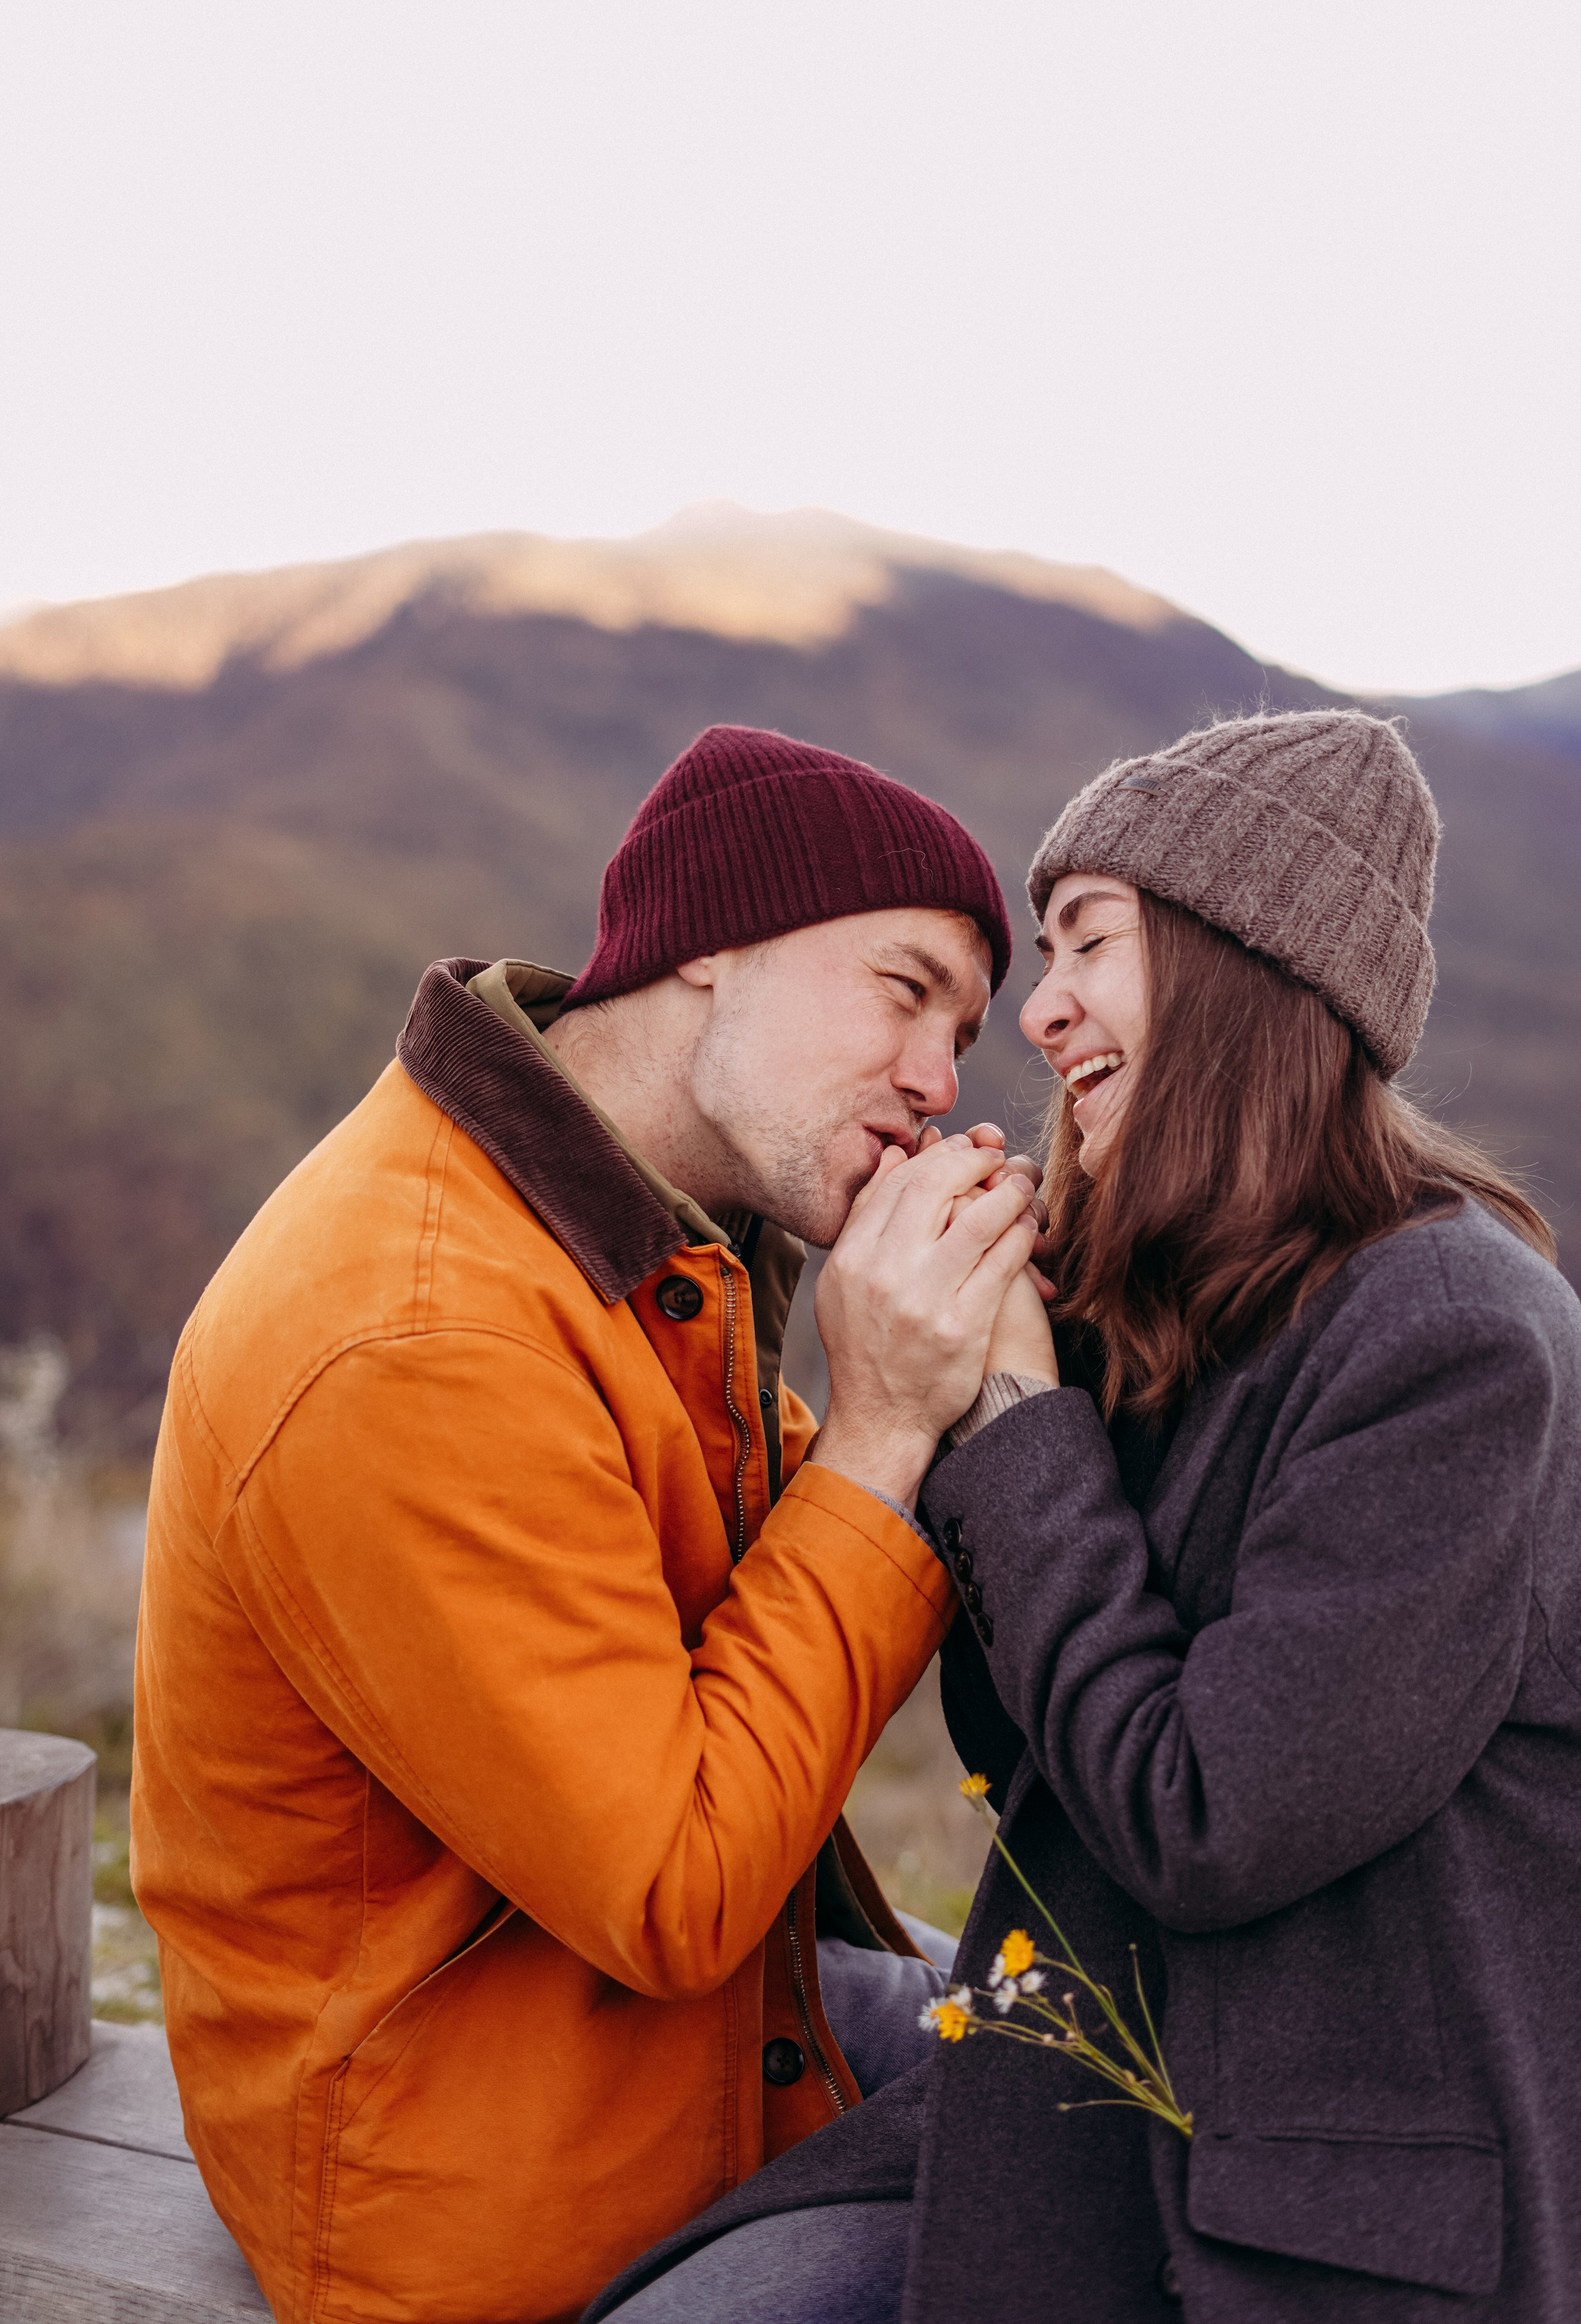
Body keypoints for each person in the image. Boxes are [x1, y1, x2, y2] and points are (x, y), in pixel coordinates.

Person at [588, 709, 1581, 2323]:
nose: (1038, 1014)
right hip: (1103, 2100)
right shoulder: (1180, 1308)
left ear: (1250, 975)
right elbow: (1036, 1750)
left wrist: (1018, 1421)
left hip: (1321, 2219)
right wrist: (952, 1384)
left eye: (1085, 944)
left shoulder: (1459, 1341)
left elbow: (1203, 1818)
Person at [130, 723, 1047, 2324]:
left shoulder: (633, 1243)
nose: (939, 1079)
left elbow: (753, 1591)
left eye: (961, 1032)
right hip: (476, 2190)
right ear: (715, 945)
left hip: (644, 2046)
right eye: (905, 990)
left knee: (1178, 2099)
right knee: (1109, 2236)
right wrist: (890, 1425)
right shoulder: (421, 1333)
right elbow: (676, 1882)